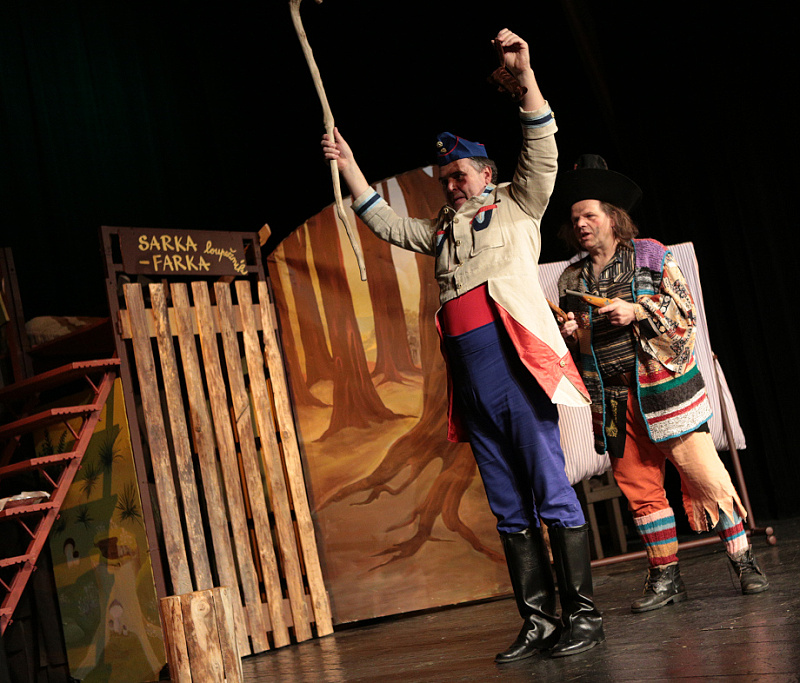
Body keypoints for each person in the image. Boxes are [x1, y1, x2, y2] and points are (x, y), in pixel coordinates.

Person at [322, 29, 604, 662]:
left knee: (549, 489)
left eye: (460, 175)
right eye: (445, 178)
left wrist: (525, 77)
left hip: (516, 373)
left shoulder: (519, 205)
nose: (451, 185)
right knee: (506, 504)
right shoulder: (443, 232)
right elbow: (388, 223)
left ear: (487, 174)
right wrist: (349, 165)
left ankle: (584, 617)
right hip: (474, 387)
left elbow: (541, 145)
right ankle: (538, 620)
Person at [554, 155, 769, 614]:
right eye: (575, 220)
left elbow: (686, 315)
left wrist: (637, 310)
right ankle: (666, 575)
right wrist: (573, 332)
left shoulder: (651, 255)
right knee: (640, 489)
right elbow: (578, 345)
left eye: (589, 215)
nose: (581, 225)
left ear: (612, 217)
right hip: (613, 399)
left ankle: (742, 560)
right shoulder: (571, 278)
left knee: (705, 476)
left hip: (663, 390)